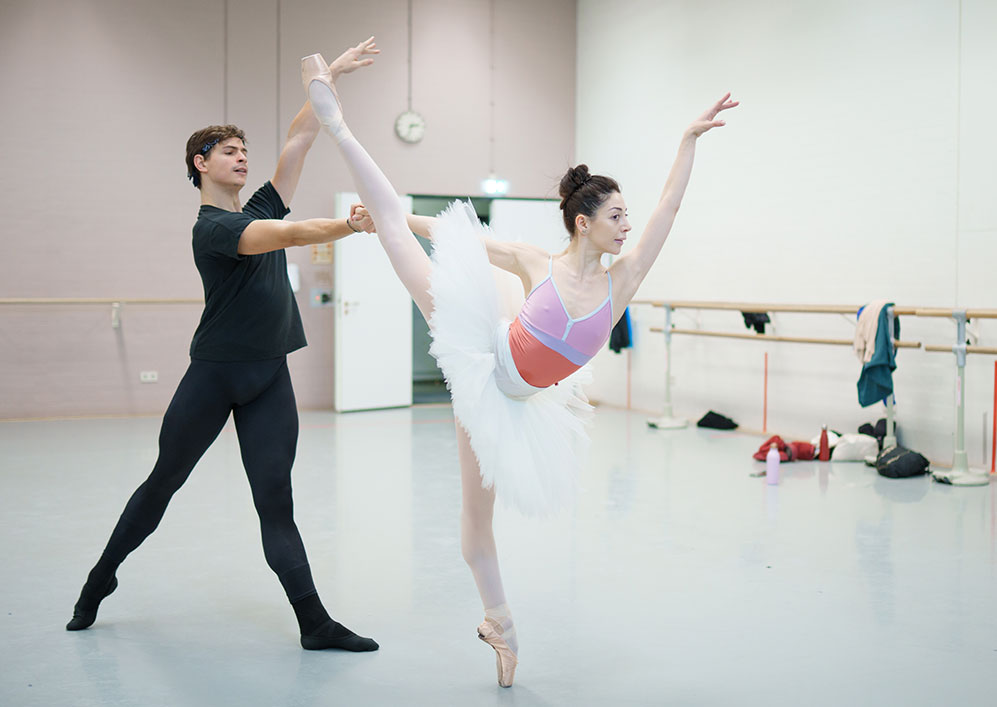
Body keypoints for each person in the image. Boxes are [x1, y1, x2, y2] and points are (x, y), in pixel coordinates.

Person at [301, 46, 737, 683]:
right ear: (584, 223)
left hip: (513, 402)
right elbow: (467, 241)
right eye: (616, 217)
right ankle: (337, 123)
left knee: (476, 531)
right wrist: (395, 219)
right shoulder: (542, 262)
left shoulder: (623, 282)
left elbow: (668, 209)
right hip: (484, 350)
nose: (627, 226)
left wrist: (687, 141)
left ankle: (498, 625)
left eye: (627, 217)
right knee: (395, 226)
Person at [65, 38, 382, 653]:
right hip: (214, 378)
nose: (242, 158)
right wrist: (345, 224)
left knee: (276, 503)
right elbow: (286, 234)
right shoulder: (214, 229)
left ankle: (314, 624)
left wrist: (329, 78)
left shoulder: (256, 204)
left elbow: (299, 138)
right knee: (162, 483)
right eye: (228, 152)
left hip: (269, 377)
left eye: (243, 150)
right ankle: (99, 580)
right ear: (199, 163)